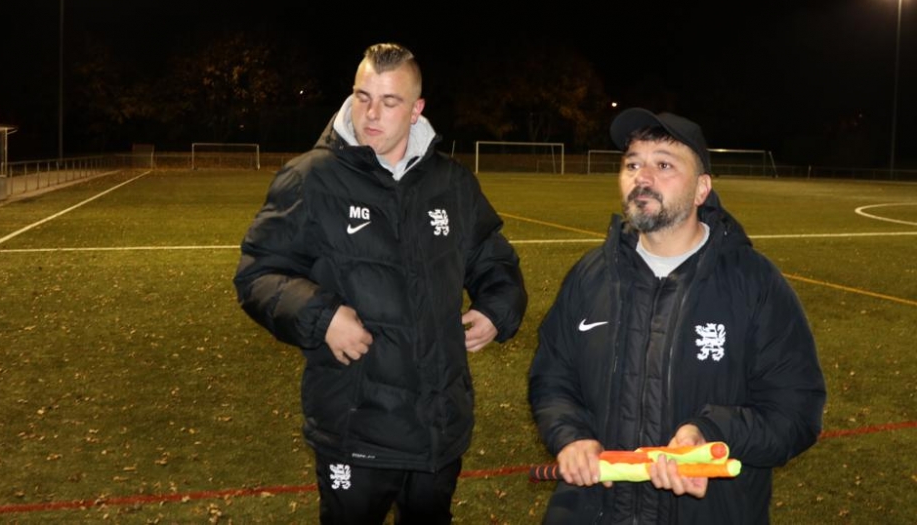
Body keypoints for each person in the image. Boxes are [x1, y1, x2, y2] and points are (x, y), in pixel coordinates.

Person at [234, 42, 527, 524]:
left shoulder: (452, 184)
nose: (371, 114)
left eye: (389, 102)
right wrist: (321, 316)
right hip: (355, 430)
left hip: (438, 427)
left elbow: (495, 260)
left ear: (416, 110)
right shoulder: (311, 179)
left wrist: (498, 309)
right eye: (362, 97)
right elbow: (257, 273)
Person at [528, 108, 826, 524]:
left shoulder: (755, 283)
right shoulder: (590, 276)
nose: (642, 177)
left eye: (664, 165)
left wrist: (712, 433)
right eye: (633, 164)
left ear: (702, 188)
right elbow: (552, 377)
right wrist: (571, 436)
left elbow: (796, 412)